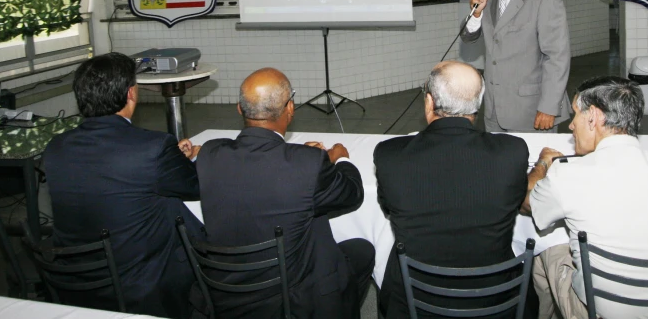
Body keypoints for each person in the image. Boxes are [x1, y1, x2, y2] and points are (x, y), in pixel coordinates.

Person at [192, 68, 375, 319]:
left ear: (239, 109)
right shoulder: (305, 165)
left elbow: (259, 167)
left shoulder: (210, 155)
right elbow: (352, 193)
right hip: (293, 299)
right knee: (361, 251)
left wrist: (308, 157)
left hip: (225, 291)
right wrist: (339, 158)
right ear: (290, 108)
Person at [523, 76, 648, 319]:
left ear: (594, 117)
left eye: (576, 114)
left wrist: (542, 164)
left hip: (603, 313)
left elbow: (528, 203)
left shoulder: (568, 175)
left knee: (548, 247)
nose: (571, 125)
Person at [44, 52, 203, 318]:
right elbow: (193, 186)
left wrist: (170, 159)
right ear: (131, 93)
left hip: (76, 279)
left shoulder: (56, 147)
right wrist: (181, 160)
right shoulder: (152, 147)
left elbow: (110, 178)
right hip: (139, 283)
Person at [374, 61, 530, 318]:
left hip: (416, 298)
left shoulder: (390, 155)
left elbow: (387, 206)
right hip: (494, 298)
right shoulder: (511, 152)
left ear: (429, 103)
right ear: (478, 104)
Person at [461, 0, 571, 133]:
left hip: (530, 109)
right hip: (494, 108)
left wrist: (549, 107)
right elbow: (467, 37)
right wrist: (476, 13)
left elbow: (557, 57)